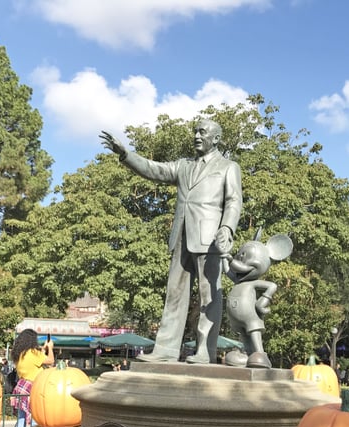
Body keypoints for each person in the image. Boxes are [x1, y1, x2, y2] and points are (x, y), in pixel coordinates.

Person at [99, 119, 242, 364]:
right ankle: (165, 349)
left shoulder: (229, 167)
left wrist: (227, 227)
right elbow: (155, 169)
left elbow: (233, 201)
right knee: (174, 293)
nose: (196, 136)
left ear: (216, 138)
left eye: (202, 132)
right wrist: (125, 155)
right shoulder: (183, 166)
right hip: (181, 235)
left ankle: (205, 351)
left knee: (210, 296)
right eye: (195, 131)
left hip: (210, 239)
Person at [10, 329, 54, 427]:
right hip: (33, 387)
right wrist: (50, 348)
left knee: (22, 416)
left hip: (21, 386)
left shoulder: (19, 353)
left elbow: (37, 360)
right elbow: (51, 361)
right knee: (35, 414)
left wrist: (44, 348)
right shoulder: (33, 353)